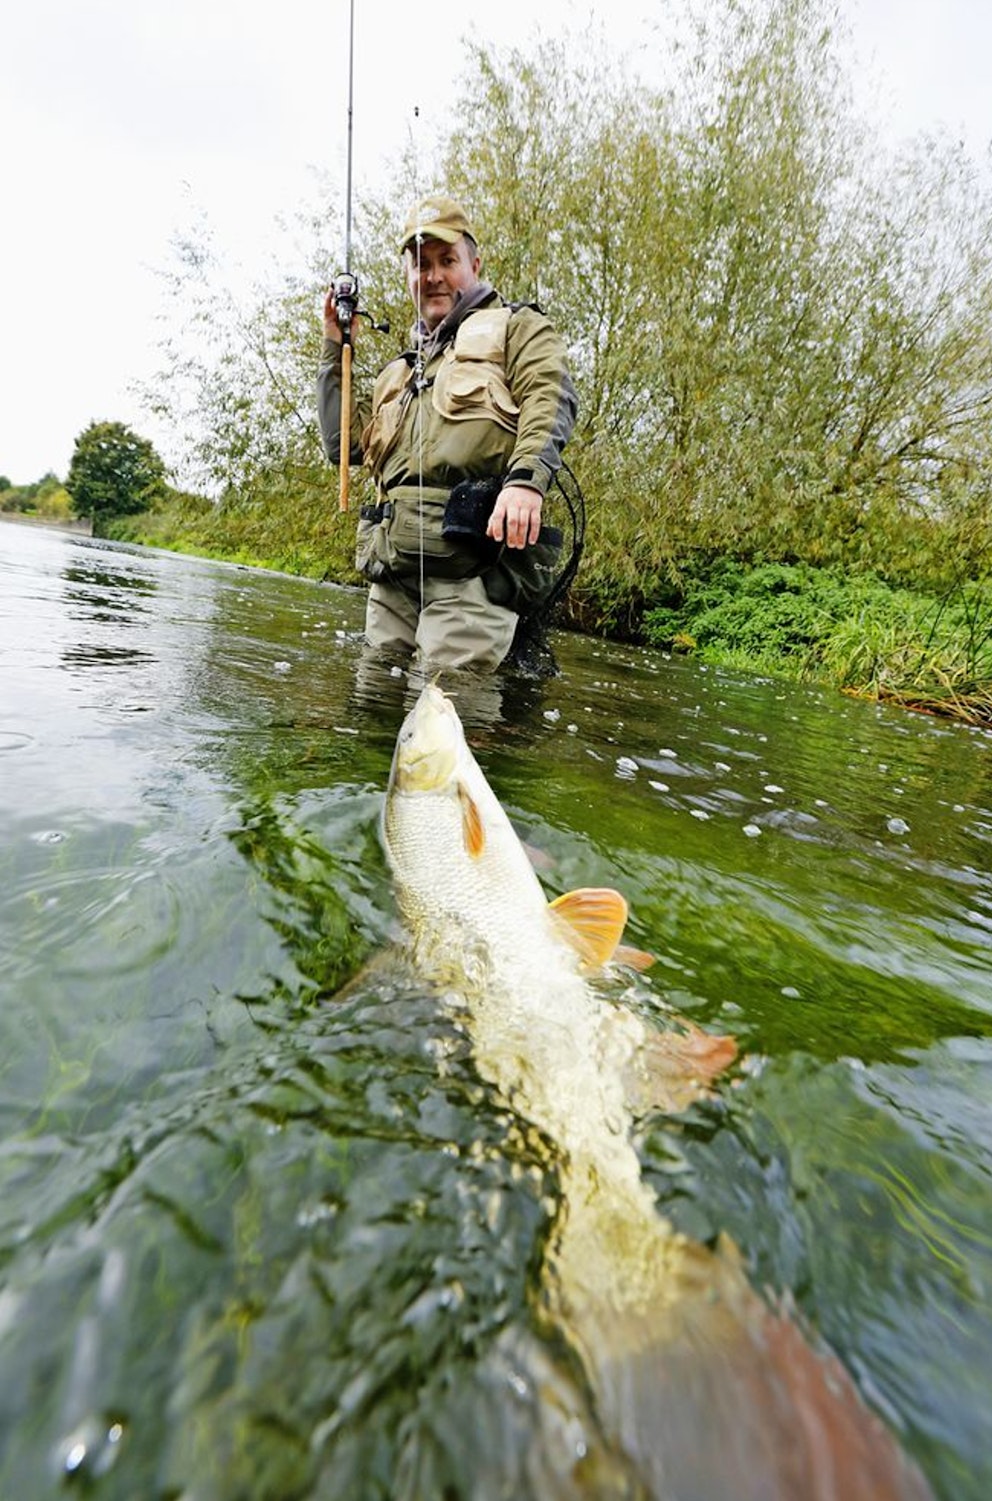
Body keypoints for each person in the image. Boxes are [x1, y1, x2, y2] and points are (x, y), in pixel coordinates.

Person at [317, 194, 578, 672]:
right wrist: (335, 346)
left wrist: (524, 483)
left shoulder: (518, 329)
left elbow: (552, 396)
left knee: (446, 712)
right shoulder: (401, 371)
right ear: (407, 277)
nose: (433, 275)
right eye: (420, 265)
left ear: (474, 264)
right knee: (374, 706)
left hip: (472, 571)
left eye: (447, 261)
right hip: (393, 573)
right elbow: (342, 446)